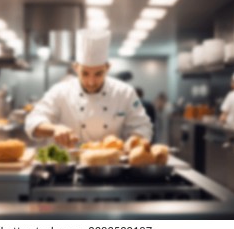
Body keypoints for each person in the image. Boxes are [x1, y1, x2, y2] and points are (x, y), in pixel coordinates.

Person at [25, 29, 153, 147]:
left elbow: (143, 126)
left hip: (109, 165)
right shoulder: (60, 91)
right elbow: (32, 121)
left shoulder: (124, 92)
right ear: (76, 68)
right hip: (69, 164)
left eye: (98, 74)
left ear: (107, 68)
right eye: (85, 73)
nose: (91, 82)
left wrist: (135, 139)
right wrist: (55, 129)